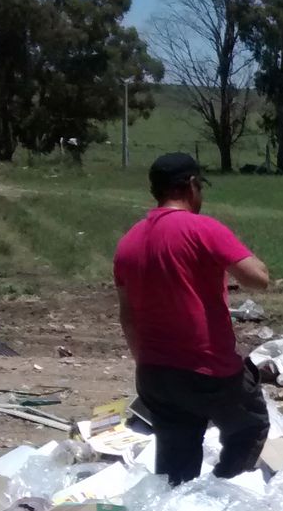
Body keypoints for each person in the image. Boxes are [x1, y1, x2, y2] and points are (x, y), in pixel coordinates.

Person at [114, 152, 272, 486]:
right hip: (208, 369)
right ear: (191, 185)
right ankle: (220, 494)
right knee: (250, 424)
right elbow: (258, 278)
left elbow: (127, 316)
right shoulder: (203, 228)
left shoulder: (129, 241)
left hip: (155, 373)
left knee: (175, 464)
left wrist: (144, 362)